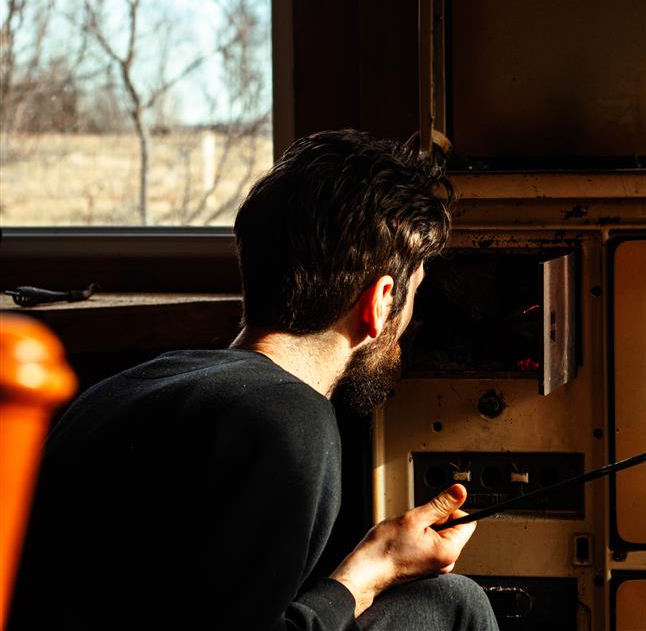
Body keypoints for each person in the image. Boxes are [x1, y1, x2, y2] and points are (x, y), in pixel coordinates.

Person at [9, 130, 499, 631]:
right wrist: (371, 572)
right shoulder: (287, 422)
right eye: (412, 295)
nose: (410, 321)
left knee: (444, 601)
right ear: (379, 302)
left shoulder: (130, 385)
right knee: (458, 607)